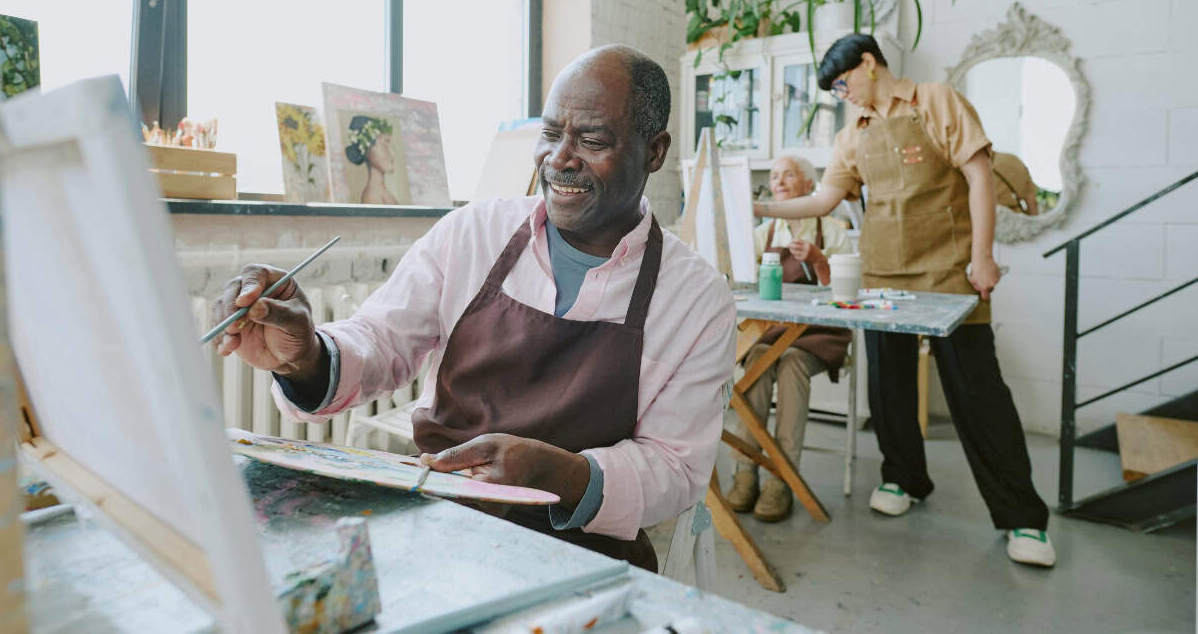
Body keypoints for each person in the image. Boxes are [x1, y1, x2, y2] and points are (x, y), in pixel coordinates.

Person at [212, 45, 737, 570]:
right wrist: (305, 356)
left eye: (592, 140)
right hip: (440, 518)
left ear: (655, 151)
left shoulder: (696, 300)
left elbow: (676, 470)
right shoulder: (473, 233)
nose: (560, 158)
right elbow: (380, 341)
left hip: (583, 549)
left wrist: (557, 474)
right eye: (551, 134)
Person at [752, 33, 1055, 568]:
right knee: (889, 386)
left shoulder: (936, 100)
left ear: (870, 64)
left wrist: (982, 257)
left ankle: (1023, 517)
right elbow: (825, 198)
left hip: (949, 271)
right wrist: (760, 207)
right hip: (883, 277)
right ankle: (904, 477)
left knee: (977, 394)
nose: (842, 94)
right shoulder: (853, 135)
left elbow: (979, 173)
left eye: (843, 82)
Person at [724, 156, 853, 522]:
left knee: (793, 363)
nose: (779, 181)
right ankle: (745, 472)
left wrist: (820, 261)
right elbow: (740, 285)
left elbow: (847, 295)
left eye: (789, 175)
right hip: (771, 332)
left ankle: (781, 478)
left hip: (817, 336)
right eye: (775, 176)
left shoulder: (834, 231)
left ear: (809, 187)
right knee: (761, 359)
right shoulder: (763, 234)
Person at [345, 114, 400, 205]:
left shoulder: (382, 192)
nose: (392, 154)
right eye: (384, 145)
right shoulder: (372, 197)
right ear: (367, 150)